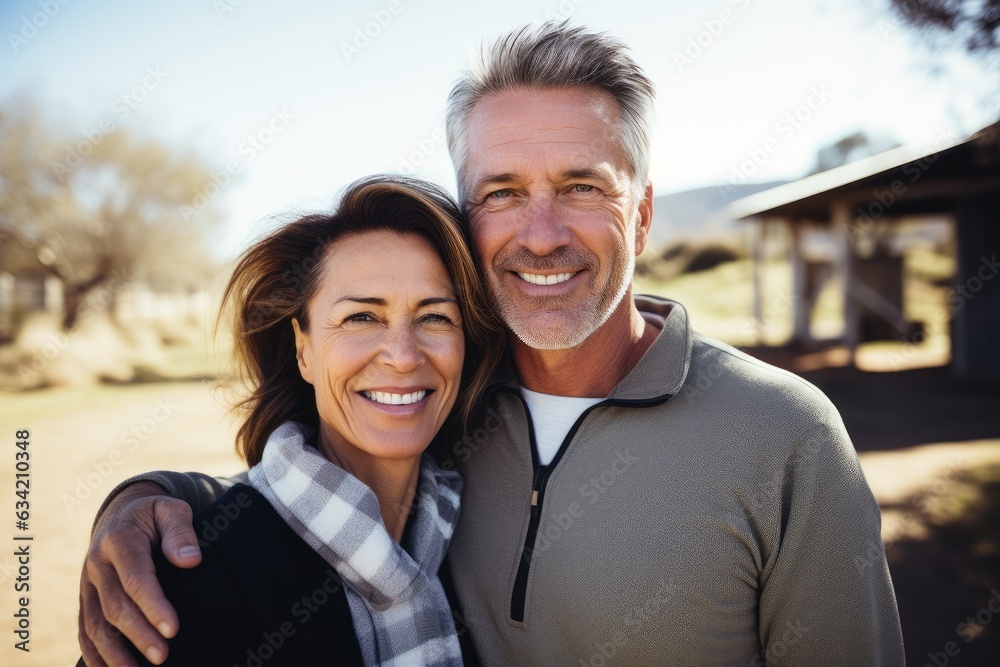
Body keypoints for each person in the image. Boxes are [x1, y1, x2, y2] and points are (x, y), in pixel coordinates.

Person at [79, 22, 905, 667]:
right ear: (468, 220)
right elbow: (315, 485)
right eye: (502, 193)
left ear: (644, 214)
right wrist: (151, 494)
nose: (540, 235)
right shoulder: (446, 403)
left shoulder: (784, 436)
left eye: (582, 187)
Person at [78, 174, 503, 666]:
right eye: (361, 317)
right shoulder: (194, 573)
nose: (404, 357)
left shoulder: (467, 532)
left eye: (435, 317)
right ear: (304, 350)